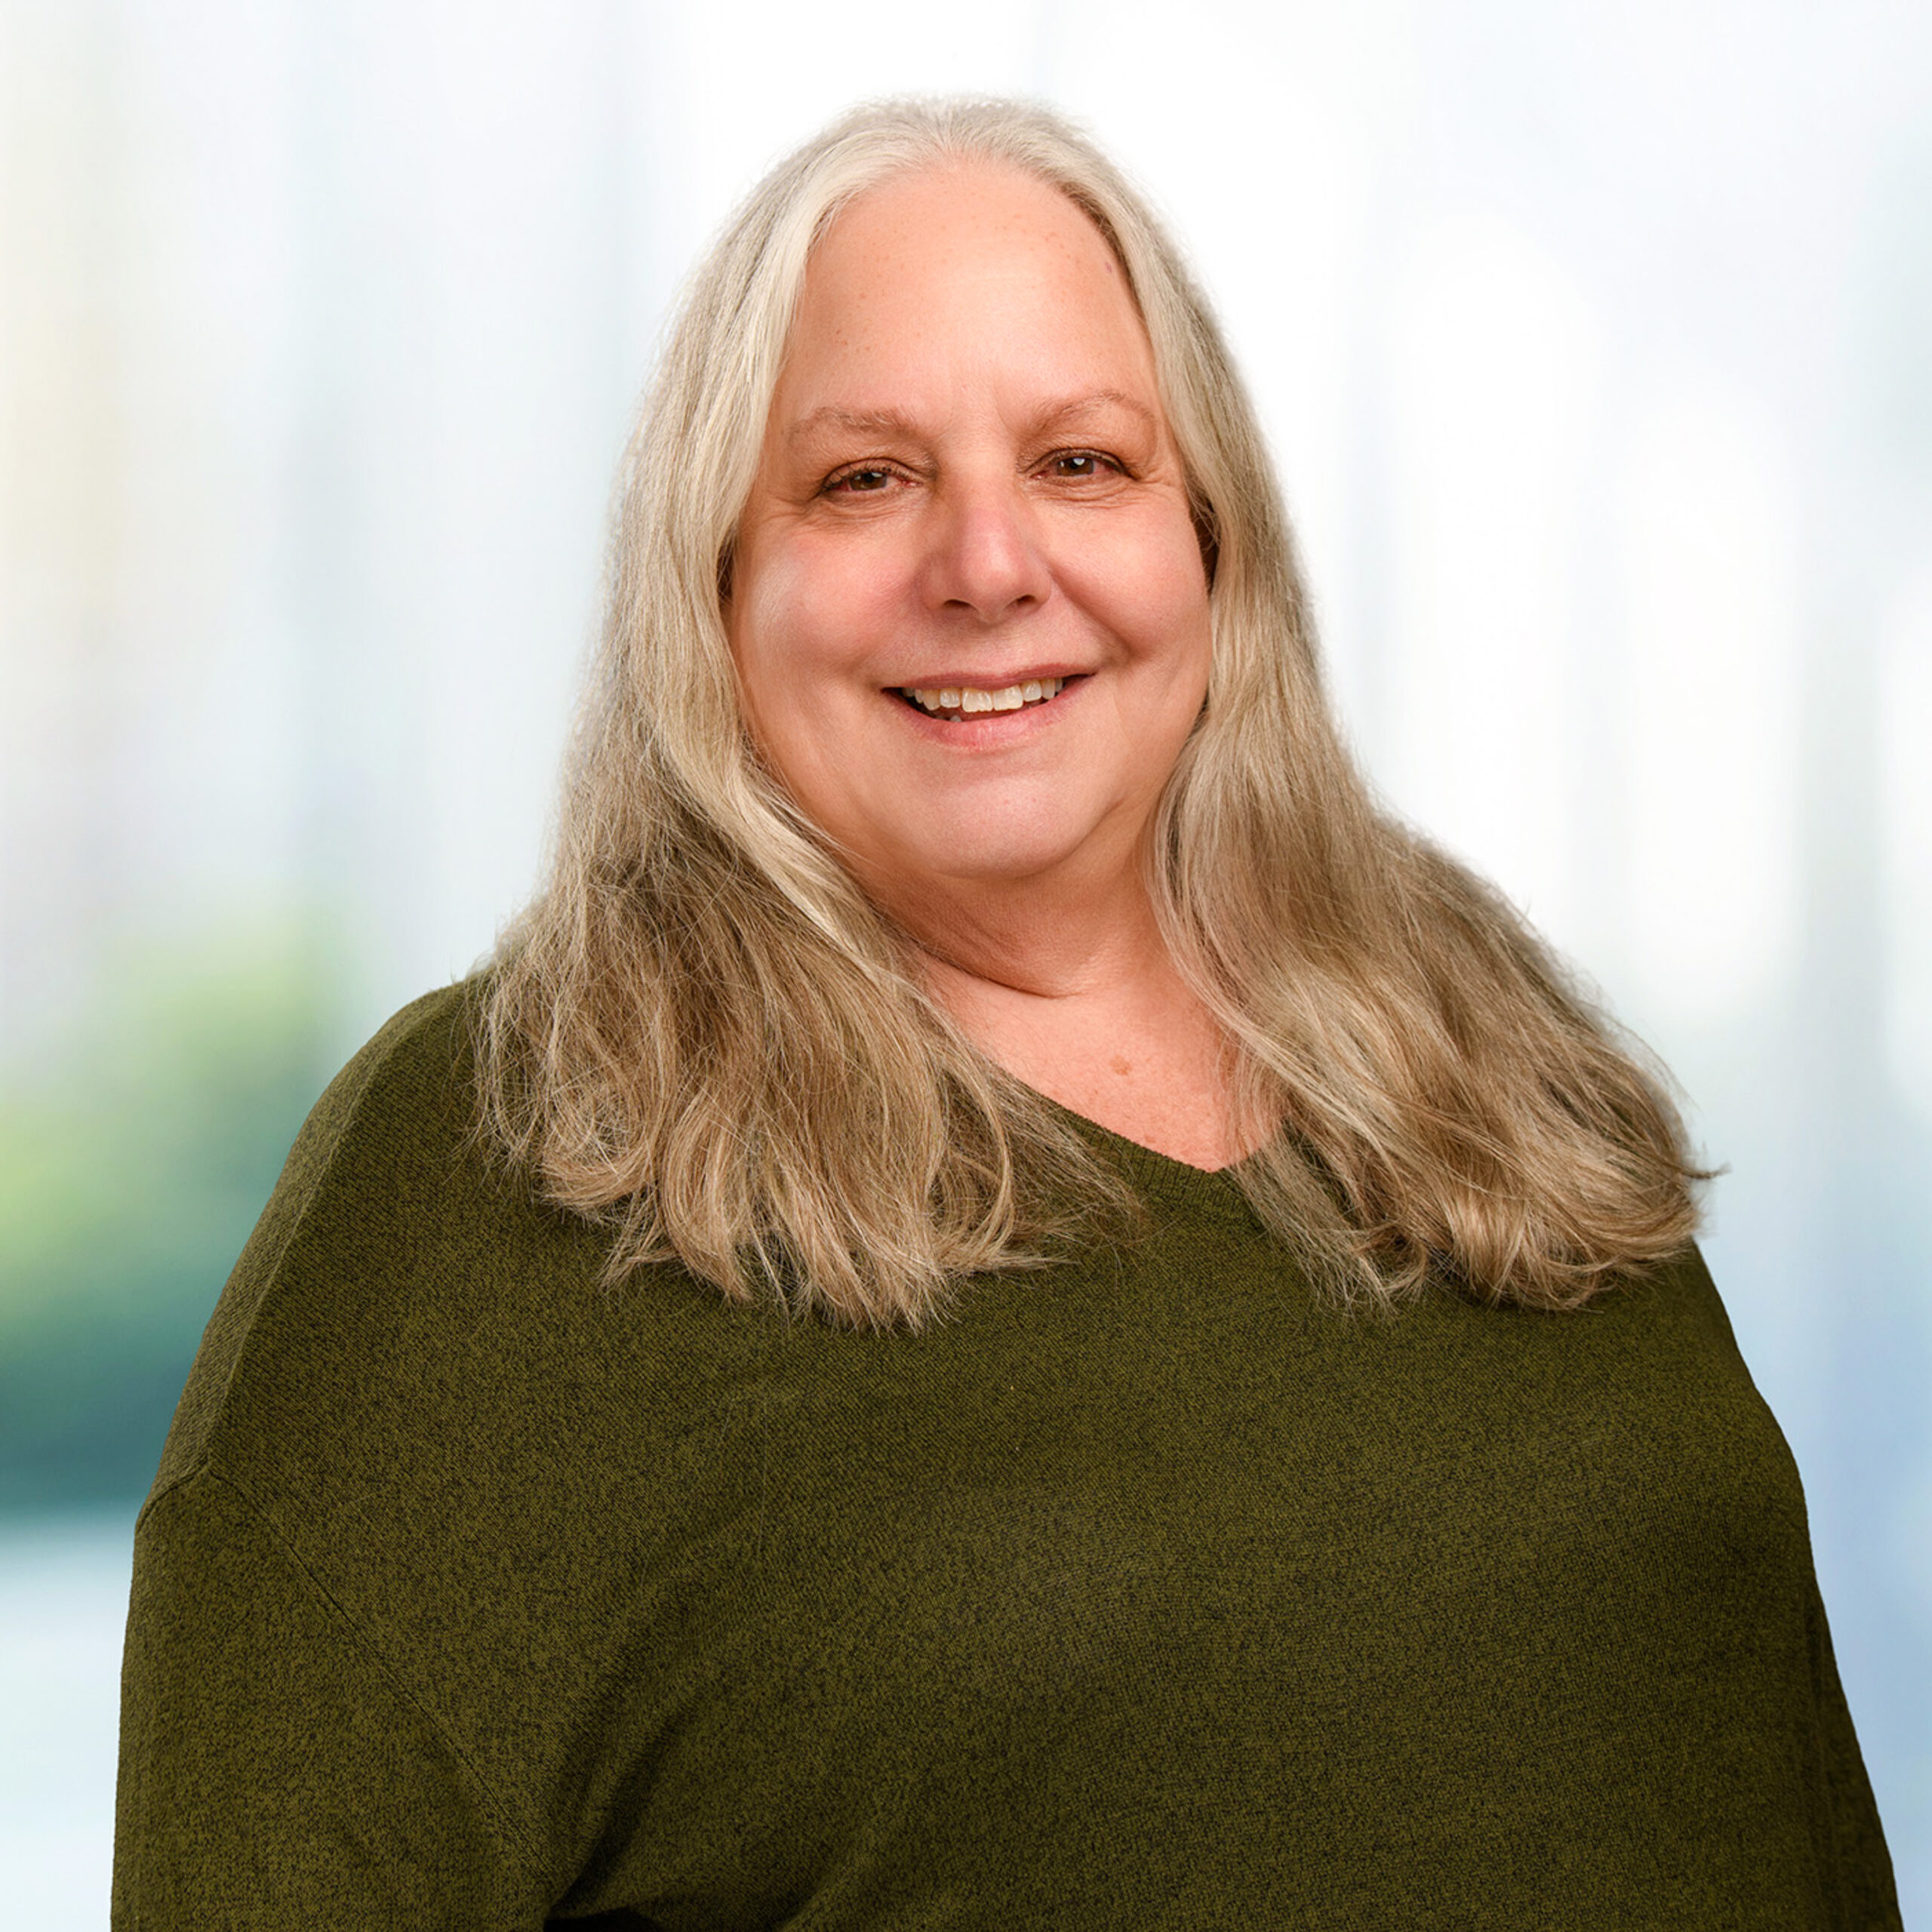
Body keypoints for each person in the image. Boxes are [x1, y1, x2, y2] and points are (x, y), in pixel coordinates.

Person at [113, 98, 1900, 1928]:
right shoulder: (504, 1150)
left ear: (1209, 543)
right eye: (861, 478)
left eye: (1079, 462)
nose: (983, 566)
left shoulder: (1472, 1031)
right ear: (717, 579)